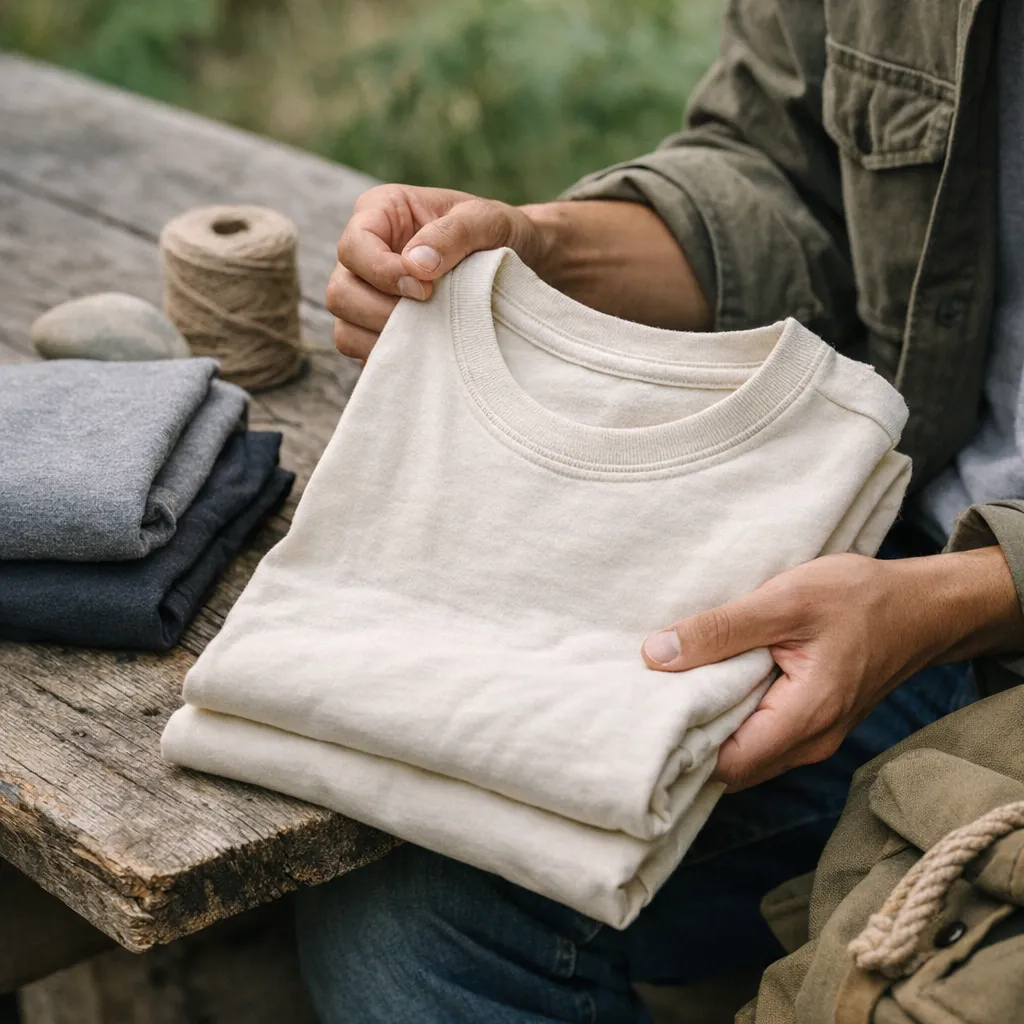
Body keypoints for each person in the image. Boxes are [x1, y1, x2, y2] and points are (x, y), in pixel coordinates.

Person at [297, 0, 1024, 1020]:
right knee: (410, 907)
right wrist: (544, 252)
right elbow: (782, 177)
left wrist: (960, 598)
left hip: (955, 609)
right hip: (898, 536)